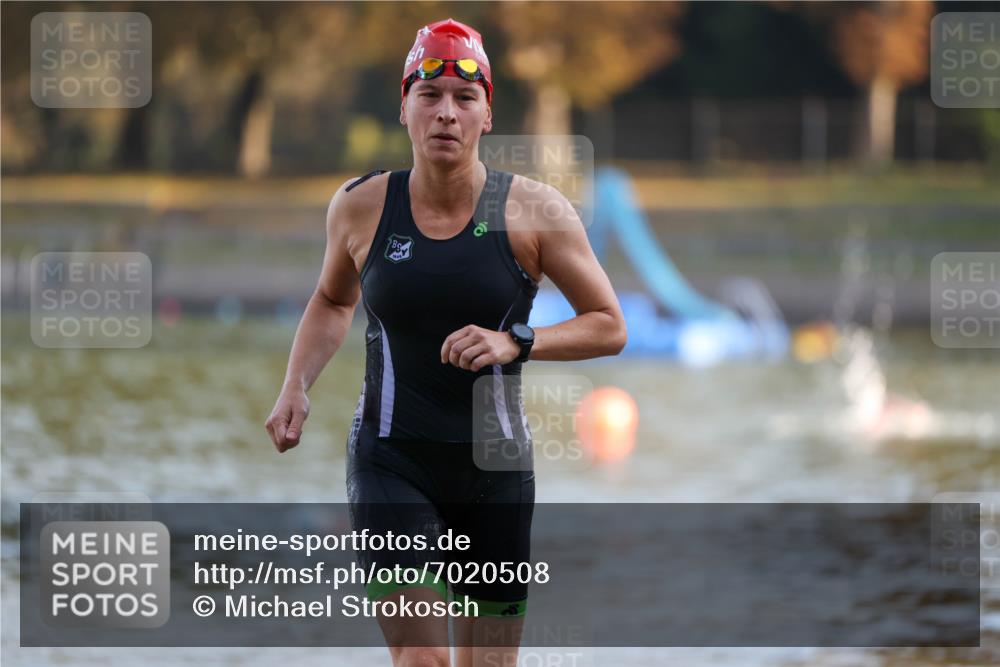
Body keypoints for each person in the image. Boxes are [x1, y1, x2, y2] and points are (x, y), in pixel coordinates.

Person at [265, 18, 626, 667]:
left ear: (488, 114)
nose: (446, 115)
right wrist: (296, 383)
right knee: (422, 659)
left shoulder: (534, 213)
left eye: (465, 98)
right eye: (428, 96)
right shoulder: (360, 207)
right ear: (403, 107)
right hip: (391, 458)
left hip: (496, 471)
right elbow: (332, 299)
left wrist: (517, 339)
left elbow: (608, 323)